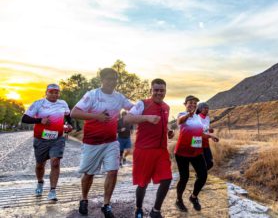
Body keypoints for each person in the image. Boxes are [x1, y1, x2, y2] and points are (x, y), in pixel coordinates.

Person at [70, 68, 133, 218]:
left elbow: (134, 107)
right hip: (92, 142)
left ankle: (106, 205)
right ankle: (84, 199)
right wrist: (96, 116)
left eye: (115, 79)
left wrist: (147, 109)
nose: (113, 82)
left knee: (113, 171)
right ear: (102, 79)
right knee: (89, 174)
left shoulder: (119, 97)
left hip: (111, 141)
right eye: (109, 78)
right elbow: (74, 113)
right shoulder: (92, 95)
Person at [124, 78, 174, 218]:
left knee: (167, 179)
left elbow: (163, 124)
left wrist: (169, 130)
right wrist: (146, 118)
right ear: (151, 90)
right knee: (143, 183)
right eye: (156, 90)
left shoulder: (166, 107)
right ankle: (138, 208)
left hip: (161, 150)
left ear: (165, 91)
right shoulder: (142, 104)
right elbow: (127, 119)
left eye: (162, 90)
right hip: (144, 151)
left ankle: (155, 211)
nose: (159, 93)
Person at [21, 83, 73, 201]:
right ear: (46, 93)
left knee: (55, 162)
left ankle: (52, 190)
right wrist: (40, 120)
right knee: (40, 165)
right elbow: (24, 118)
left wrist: (70, 124)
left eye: (56, 92)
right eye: (51, 92)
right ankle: (40, 182)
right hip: (41, 139)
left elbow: (68, 116)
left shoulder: (63, 103)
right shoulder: (39, 103)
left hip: (57, 138)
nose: (54, 95)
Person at [174, 95, 219, 212]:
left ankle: (193, 197)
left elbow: (199, 133)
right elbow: (179, 122)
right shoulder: (181, 114)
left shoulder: (198, 118)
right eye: (190, 103)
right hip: (182, 152)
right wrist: (188, 115)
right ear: (185, 104)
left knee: (203, 175)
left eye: (195, 103)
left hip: (196, 150)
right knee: (184, 178)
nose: (193, 105)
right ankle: (178, 200)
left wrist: (210, 136)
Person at [196, 102, 218, 170]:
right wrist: (208, 129)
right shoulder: (196, 117)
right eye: (205, 108)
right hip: (196, 139)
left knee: (210, 163)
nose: (207, 109)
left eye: (207, 108)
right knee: (199, 161)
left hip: (205, 140)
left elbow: (206, 129)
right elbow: (197, 128)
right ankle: (200, 175)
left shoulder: (207, 117)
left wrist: (210, 132)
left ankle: (200, 175)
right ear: (200, 109)